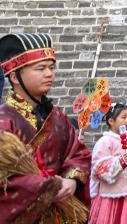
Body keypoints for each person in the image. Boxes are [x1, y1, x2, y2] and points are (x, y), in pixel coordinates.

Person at [0, 32, 91, 223]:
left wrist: (72, 181)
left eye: (51, 67)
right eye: (41, 68)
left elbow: (78, 154)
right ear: (15, 77)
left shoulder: (58, 117)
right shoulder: (4, 120)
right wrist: (46, 186)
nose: (49, 74)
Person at [90, 103, 127, 224]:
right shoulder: (105, 142)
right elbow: (98, 168)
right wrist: (119, 162)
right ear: (111, 121)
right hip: (111, 196)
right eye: (123, 117)